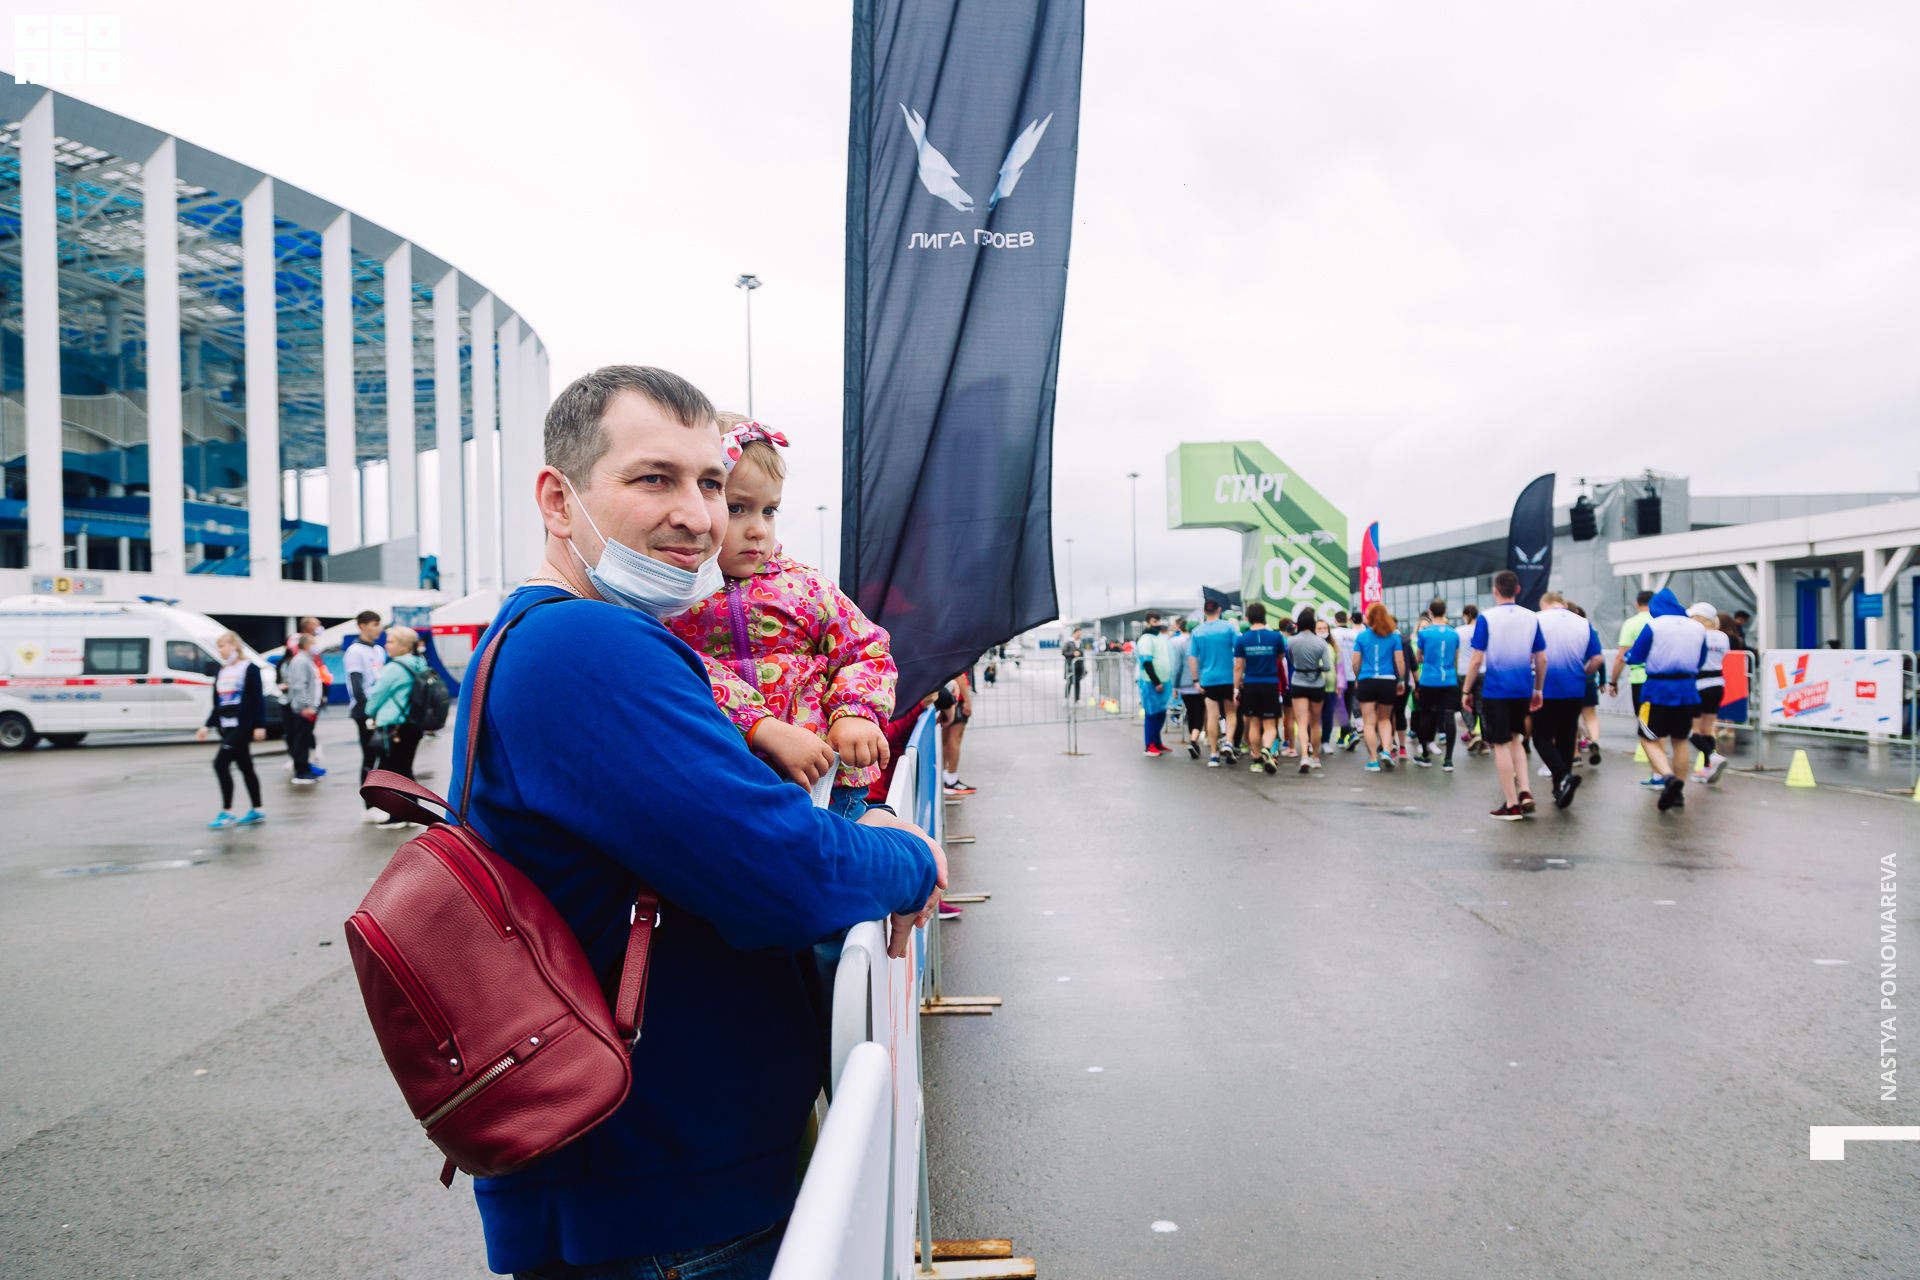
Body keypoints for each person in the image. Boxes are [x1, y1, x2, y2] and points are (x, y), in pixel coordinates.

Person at [451, 364, 943, 1279]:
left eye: (712, 484)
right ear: (558, 500)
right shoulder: (583, 645)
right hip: (665, 1207)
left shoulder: (556, 634)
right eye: (655, 479)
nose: (699, 516)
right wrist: (908, 858)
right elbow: (783, 870)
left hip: (655, 1186)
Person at [667, 418, 893, 818]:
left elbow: (865, 648)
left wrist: (854, 713)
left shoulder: (806, 587)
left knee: (835, 852)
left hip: (825, 785)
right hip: (726, 786)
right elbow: (676, 670)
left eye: (769, 511)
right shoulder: (674, 597)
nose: (758, 530)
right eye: (737, 508)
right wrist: (756, 724)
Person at [1608, 588, 1708, 812]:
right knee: (1680, 740)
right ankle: (1678, 792)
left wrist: (1629, 656)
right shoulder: (1697, 627)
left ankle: (1668, 777)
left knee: (1648, 737)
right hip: (1687, 689)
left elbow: (1636, 657)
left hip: (1657, 689)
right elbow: (1701, 659)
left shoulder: (1654, 625)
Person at [1461, 571, 1546, 819]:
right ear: (1517, 590)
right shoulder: (1532, 617)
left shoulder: (1486, 618)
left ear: (1495, 591)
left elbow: (1476, 660)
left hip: (1497, 689)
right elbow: (1542, 658)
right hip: (1523, 687)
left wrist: (1466, 690)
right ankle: (1526, 791)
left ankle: (1511, 804)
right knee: (1516, 739)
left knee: (1500, 744)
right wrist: (1538, 689)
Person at [1533, 592, 1603, 808]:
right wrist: (1582, 673)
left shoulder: (1536, 619)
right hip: (1574, 688)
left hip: (1544, 688)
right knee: (1566, 737)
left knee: (1542, 737)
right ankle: (1560, 788)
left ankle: (1563, 776)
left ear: (1544, 604)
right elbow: (1597, 659)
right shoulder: (1584, 623)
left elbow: (1529, 656)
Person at [196, 631, 265, 828]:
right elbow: (217, 702)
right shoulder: (222, 670)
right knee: (245, 766)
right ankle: (258, 809)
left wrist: (259, 725)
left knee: (220, 764)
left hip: (242, 725)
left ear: (234, 645)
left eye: (222, 646)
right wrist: (207, 725)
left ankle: (227, 812)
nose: (220, 650)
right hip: (225, 726)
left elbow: (257, 698)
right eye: (218, 647)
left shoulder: (249, 668)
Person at [363, 625, 430, 817]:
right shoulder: (419, 663)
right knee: (405, 769)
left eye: (391, 642)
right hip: (413, 724)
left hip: (394, 726)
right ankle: (411, 813)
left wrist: (369, 712)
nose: (386, 645)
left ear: (404, 645)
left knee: (390, 773)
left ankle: (397, 817)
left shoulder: (394, 667)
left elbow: (377, 695)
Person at [345, 611, 391, 823]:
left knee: (384, 757)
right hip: (365, 712)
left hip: (380, 710)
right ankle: (369, 808)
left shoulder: (379, 650)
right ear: (362, 626)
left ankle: (383, 802)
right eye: (374, 624)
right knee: (369, 757)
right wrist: (368, 713)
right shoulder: (355, 651)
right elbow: (357, 686)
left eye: (379, 624)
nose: (378, 629)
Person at [1350, 602, 1406, 772]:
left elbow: (1355, 662)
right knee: (1385, 719)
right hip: (1387, 681)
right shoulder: (1394, 637)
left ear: (1370, 617)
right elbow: (1400, 662)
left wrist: (1358, 677)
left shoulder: (1361, 637)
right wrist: (1401, 680)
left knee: (1369, 722)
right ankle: (1387, 751)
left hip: (1367, 680)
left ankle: (1373, 760)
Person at [1233, 601, 1284, 774]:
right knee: (1270, 725)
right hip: (1270, 684)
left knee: (1254, 724)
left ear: (1247, 618)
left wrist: (1235, 689)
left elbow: (1239, 667)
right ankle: (1267, 749)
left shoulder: (1242, 639)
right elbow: (1280, 656)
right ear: (1264, 616)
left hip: (1251, 685)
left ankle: (1256, 761)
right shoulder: (1276, 637)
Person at [1411, 600, 1460, 770]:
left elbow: (1418, 658)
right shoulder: (1454, 633)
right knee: (1449, 716)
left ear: (1430, 612)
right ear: (1445, 611)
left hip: (1429, 680)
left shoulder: (1424, 633)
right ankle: (1448, 760)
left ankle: (1425, 755)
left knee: (1426, 715)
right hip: (1449, 680)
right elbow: (1455, 657)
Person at [1189, 599, 1239, 767]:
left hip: (1208, 678)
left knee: (1212, 715)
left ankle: (1213, 754)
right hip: (1229, 677)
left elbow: (1192, 658)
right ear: (1219, 610)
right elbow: (1239, 651)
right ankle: (1228, 743)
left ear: (1204, 612)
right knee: (1230, 713)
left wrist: (1196, 680)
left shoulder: (1197, 631)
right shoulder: (1229, 627)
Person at [1688, 603, 1732, 783]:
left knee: (1689, 730)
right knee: (1707, 730)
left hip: (1698, 685)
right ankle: (1708, 768)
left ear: (1701, 618)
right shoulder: (1723, 636)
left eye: (1693, 616)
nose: (1690, 620)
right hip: (1717, 685)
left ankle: (1712, 757)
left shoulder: (1696, 634)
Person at [1617, 589, 1658, 778]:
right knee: (1659, 720)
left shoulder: (1631, 623)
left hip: (1639, 676)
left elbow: (1622, 656)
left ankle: (1649, 755)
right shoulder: (1660, 621)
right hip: (1661, 677)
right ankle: (1659, 763)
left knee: (1642, 720)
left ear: (1636, 604)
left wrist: (1613, 681)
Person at [1284, 606, 1330, 773]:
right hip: (1317, 684)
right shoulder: (1321, 642)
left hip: (1298, 682)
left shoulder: (1291, 641)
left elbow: (1291, 660)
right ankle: (1315, 758)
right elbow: (1327, 666)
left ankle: (1304, 756)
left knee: (1302, 723)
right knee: (1315, 723)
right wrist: (1316, 668)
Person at [282, 632, 322, 785]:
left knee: (304, 739)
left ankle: (305, 768)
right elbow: (299, 685)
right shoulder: (301, 661)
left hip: (308, 707)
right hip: (304, 709)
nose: (316, 646)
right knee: (301, 740)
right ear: (306, 645)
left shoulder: (306, 660)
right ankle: (301, 772)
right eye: (313, 643)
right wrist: (306, 705)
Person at [1134, 609, 1172, 757]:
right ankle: (1149, 745)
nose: (1158, 623)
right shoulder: (1145, 639)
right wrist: (1156, 682)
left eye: (1159, 620)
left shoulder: (1160, 638)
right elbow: (1147, 663)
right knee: (1151, 714)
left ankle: (1157, 741)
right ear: (1148, 623)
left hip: (1164, 681)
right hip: (1151, 683)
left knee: (1161, 713)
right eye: (1155, 621)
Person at [1570, 603, 1604, 765]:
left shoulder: (1564, 630)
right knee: (1591, 715)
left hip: (1571, 678)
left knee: (1571, 718)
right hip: (1589, 679)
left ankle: (1575, 755)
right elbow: (1599, 658)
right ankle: (1594, 741)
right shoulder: (1590, 629)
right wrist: (1603, 680)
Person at [1168, 616, 1205, 759]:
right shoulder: (1203, 645)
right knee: (1199, 715)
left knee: (1191, 713)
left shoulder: (1182, 646)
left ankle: (1192, 740)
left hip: (1184, 687)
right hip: (1200, 685)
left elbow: (1177, 668)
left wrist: (1175, 687)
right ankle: (1194, 740)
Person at [1453, 603, 1482, 754]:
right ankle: (1484, 742)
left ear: (1465, 616)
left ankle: (1473, 732)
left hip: (1464, 671)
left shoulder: (1459, 631)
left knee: (1465, 703)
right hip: (1482, 670)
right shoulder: (1482, 629)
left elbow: (1456, 653)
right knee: (1480, 705)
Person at [941, 669, 976, 794]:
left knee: (945, 739)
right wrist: (967, 700)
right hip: (956, 697)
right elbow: (959, 673)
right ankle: (951, 778)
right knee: (955, 738)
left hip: (947, 696)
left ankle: (945, 775)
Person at [1062, 627, 1087, 703]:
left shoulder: (1080, 643)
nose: (1079, 635)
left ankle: (1077, 699)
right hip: (1071, 666)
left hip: (1079, 666)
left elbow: (1082, 654)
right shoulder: (1069, 642)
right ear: (1074, 633)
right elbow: (1064, 652)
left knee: (1077, 683)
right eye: (1078, 633)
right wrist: (1073, 654)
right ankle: (1066, 698)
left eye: (1080, 634)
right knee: (1069, 682)